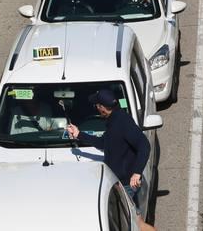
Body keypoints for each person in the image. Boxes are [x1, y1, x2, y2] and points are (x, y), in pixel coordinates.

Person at [67, 90, 156, 231]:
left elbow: (144, 145)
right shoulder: (114, 120)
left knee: (124, 225)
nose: (96, 107)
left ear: (102, 107)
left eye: (97, 105)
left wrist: (137, 173)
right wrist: (79, 134)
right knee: (138, 223)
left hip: (125, 185)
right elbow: (104, 143)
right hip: (119, 182)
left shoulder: (122, 121)